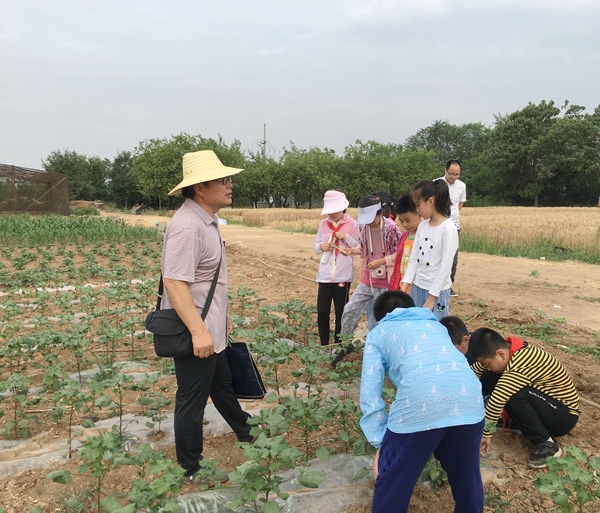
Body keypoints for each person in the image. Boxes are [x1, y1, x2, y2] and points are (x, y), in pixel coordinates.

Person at [161, 150, 254, 482]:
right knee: (192, 399)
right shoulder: (188, 226)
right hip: (195, 331)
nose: (230, 185)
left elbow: (206, 281)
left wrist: (221, 317)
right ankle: (192, 467)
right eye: (224, 180)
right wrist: (200, 331)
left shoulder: (206, 221)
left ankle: (245, 430)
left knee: (223, 384)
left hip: (209, 325)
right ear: (200, 188)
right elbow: (175, 281)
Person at [360, 290, 485, 513]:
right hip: (470, 400)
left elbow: (370, 393)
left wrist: (381, 442)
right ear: (411, 309)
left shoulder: (378, 333)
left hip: (420, 403)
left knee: (393, 485)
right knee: (467, 478)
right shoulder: (436, 325)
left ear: (379, 320)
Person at [467, 327, 580, 469]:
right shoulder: (511, 351)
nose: (488, 367)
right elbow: (476, 369)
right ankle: (520, 421)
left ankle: (546, 443)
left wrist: (485, 433)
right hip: (545, 405)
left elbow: (498, 398)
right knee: (490, 376)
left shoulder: (523, 361)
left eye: (488, 364)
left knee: (511, 394)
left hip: (563, 415)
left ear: (501, 354)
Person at [339, 194, 401, 335]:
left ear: (380, 212)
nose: (368, 222)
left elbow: (400, 254)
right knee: (350, 309)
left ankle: (380, 346)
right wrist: (352, 251)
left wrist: (382, 261)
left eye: (371, 218)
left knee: (380, 317)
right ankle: (344, 342)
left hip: (387, 281)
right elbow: (364, 248)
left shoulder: (392, 229)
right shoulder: (363, 228)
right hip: (369, 279)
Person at [400, 179, 458, 320]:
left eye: (417, 205)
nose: (417, 210)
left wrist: (432, 298)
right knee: (416, 324)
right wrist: (405, 285)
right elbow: (414, 259)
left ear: (430, 201)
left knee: (435, 327)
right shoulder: (422, 226)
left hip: (437, 292)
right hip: (417, 288)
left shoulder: (448, 229)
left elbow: (445, 268)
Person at [313, 190, 359, 346]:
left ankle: (338, 344)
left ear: (343, 208)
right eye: (329, 211)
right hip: (325, 276)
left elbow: (359, 247)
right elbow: (316, 246)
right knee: (322, 311)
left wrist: (346, 237)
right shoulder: (323, 224)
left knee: (341, 312)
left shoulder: (352, 225)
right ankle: (324, 344)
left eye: (335, 210)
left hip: (343, 276)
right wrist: (322, 245)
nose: (331, 214)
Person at [439, 159, 466, 297]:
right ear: (445, 170)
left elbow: (459, 205)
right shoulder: (436, 184)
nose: (454, 177)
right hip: (438, 224)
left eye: (457, 174)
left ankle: (449, 285)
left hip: (454, 225)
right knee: (438, 255)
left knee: (453, 257)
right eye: (451, 174)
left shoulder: (461, 186)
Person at [389, 194, 421, 292]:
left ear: (419, 214)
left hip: (417, 286)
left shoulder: (423, 236)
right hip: (403, 285)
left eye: (408, 220)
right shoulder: (405, 236)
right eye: (401, 221)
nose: (405, 224)